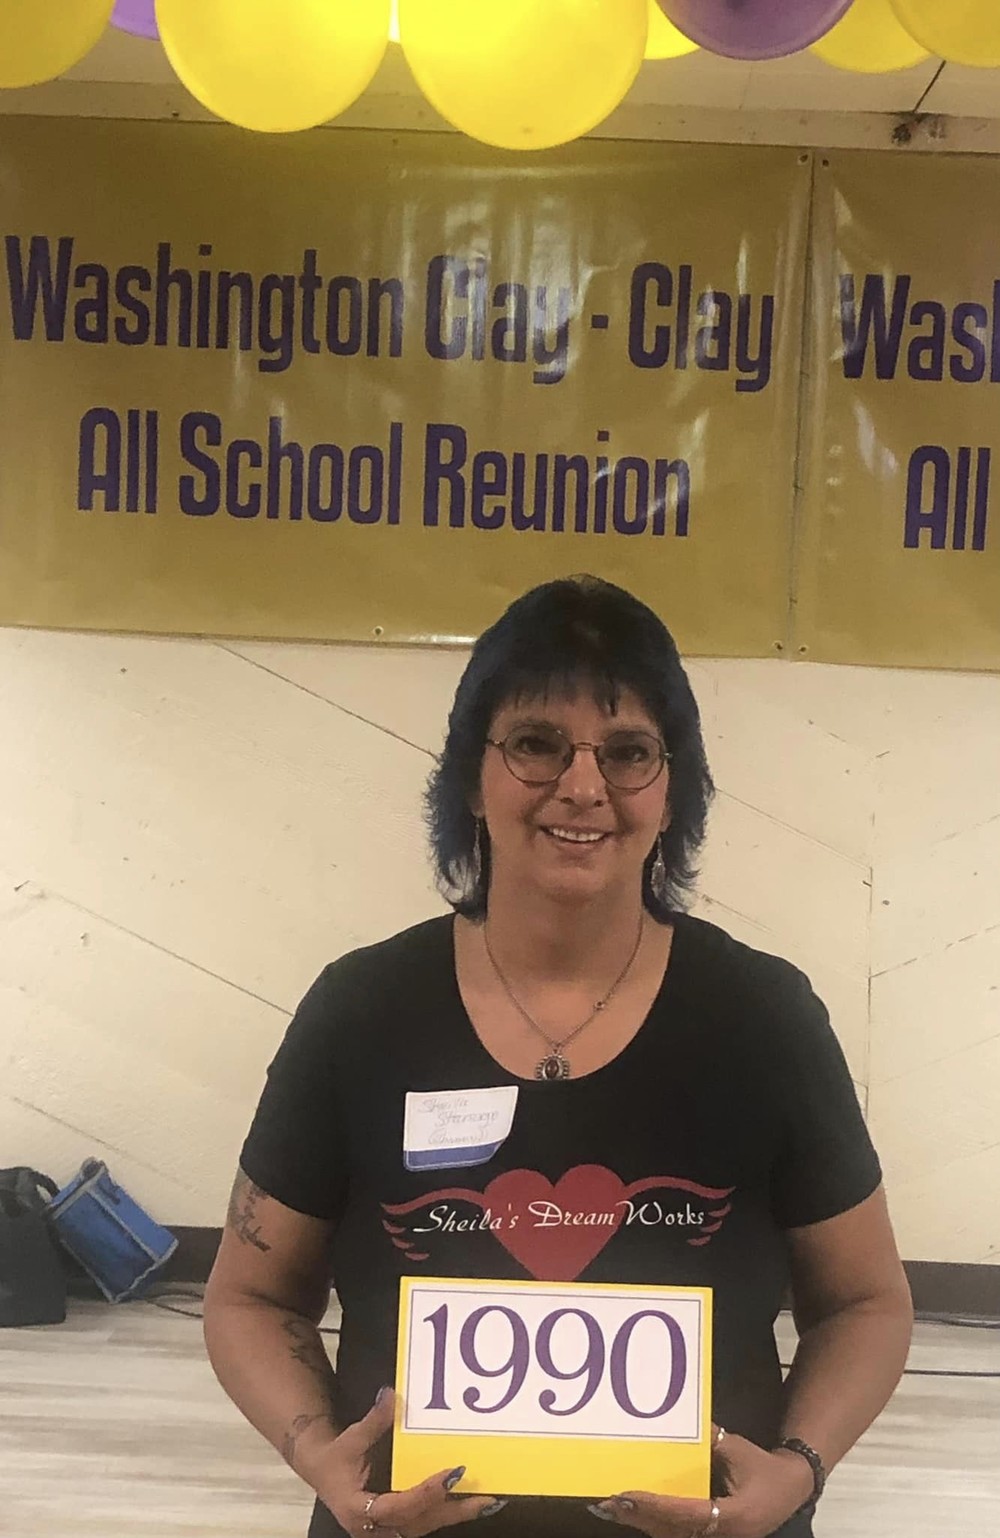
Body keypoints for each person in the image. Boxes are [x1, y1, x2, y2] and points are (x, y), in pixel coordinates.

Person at [203, 576, 913, 1538]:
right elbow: (249, 1296)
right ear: (472, 775)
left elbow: (867, 1303)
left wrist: (797, 1472)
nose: (583, 787)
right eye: (537, 743)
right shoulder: (360, 1010)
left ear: (672, 789)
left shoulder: (764, 1017)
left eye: (628, 752)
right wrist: (316, 1452)